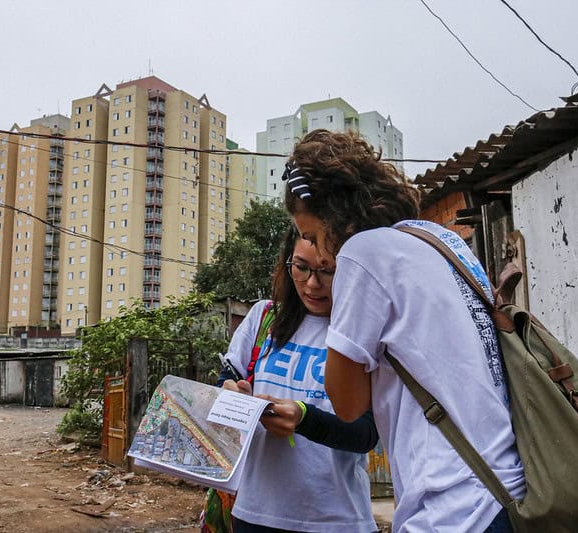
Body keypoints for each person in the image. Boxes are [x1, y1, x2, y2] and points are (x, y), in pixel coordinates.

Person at [282, 129, 526, 533]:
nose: (320, 254)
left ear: (335, 216)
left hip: (451, 508)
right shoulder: (443, 240)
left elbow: (348, 403)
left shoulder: (362, 254)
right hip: (505, 491)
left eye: (311, 236)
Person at [218, 224, 379, 533]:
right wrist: (230, 392)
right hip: (255, 515)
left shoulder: (363, 332)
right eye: (301, 268)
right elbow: (228, 377)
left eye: (327, 271)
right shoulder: (265, 318)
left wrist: (304, 418)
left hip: (338, 521)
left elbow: (365, 435)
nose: (312, 284)